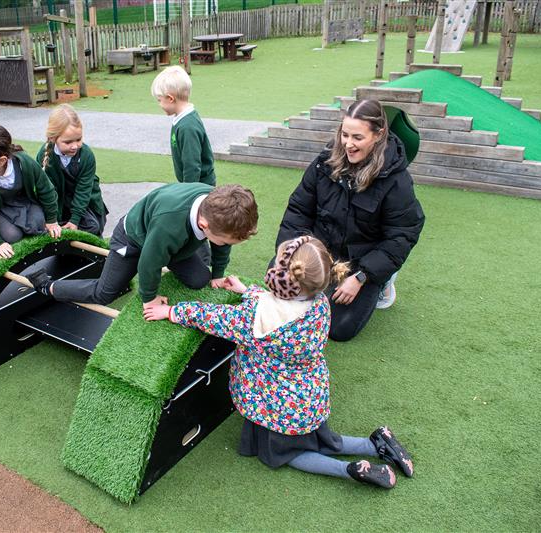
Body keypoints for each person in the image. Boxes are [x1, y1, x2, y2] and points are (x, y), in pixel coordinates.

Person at [143, 236, 414, 489]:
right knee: (322, 439)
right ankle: (375, 443)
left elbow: (211, 316)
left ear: (278, 275)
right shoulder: (319, 303)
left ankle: (349, 470)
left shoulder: (256, 319)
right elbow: (281, 303)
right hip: (308, 398)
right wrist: (247, 290)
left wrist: (170, 310)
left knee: (289, 454)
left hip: (277, 405)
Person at [276, 99, 425, 341]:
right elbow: (298, 210)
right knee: (282, 288)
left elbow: (403, 234)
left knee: (338, 329)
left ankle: (384, 281)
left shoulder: (397, 181)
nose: (348, 144)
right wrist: (293, 252)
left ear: (378, 135)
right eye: (344, 135)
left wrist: (363, 276)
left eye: (357, 137)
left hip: (360, 263)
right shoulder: (324, 162)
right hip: (321, 253)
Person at [29, 183, 258, 313]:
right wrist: (149, 298)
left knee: (200, 279)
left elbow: (222, 245)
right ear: (203, 225)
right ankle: (48, 286)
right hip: (133, 240)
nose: (226, 246)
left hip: (169, 243)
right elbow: (149, 262)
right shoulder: (170, 224)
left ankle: (175, 256)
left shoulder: (219, 206)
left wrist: (217, 274)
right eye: (226, 242)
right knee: (104, 293)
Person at [0, 123, 61, 259]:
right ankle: (14, 228)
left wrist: (52, 220)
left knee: (39, 223)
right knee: (12, 235)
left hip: (21, 204)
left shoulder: (25, 163)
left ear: (1, 160)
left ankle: (24, 224)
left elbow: (46, 190)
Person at [35, 104, 108, 237]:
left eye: (78, 140)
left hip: (83, 200)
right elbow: (47, 191)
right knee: (39, 226)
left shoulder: (87, 155)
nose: (75, 146)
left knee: (93, 226)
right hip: (57, 201)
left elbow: (83, 190)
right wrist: (53, 220)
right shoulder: (44, 155)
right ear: (53, 138)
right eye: (68, 142)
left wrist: (74, 221)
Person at [151, 65, 216, 186]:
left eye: (159, 100)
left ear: (170, 98)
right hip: (193, 184)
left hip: (199, 187)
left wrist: (187, 192)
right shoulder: (181, 119)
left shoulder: (188, 127)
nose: (159, 104)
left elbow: (192, 165)